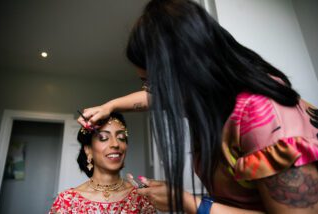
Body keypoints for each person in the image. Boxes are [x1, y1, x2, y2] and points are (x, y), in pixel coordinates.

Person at [78, 0, 318, 213]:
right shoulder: (213, 98)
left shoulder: (263, 116)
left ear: (190, 71)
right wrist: (110, 106)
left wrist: (190, 204)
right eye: (146, 84)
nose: (153, 94)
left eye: (156, 83)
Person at [50, 112, 156, 213]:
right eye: (103, 138)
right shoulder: (67, 201)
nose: (115, 144)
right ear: (88, 150)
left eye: (121, 138)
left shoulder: (142, 196)